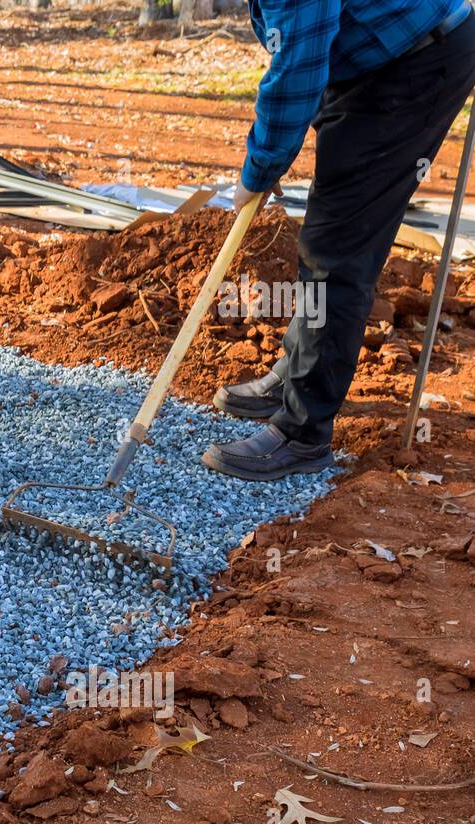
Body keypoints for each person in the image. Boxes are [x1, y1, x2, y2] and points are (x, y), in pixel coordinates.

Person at [202, 0, 475, 481]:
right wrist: (271, 158)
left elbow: (297, 69)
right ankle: (295, 372)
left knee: (335, 247)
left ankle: (302, 432)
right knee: (331, 230)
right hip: (375, 60)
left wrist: (260, 169)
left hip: (413, 65)